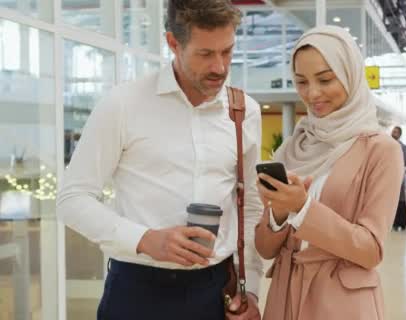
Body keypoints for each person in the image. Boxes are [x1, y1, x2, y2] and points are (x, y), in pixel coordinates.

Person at [56, 1, 263, 319]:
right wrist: (145, 240)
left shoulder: (244, 111)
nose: (220, 67)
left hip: (216, 292)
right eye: (205, 54)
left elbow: (250, 207)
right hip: (138, 292)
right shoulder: (122, 105)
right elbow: (72, 200)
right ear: (173, 43)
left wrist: (250, 290)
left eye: (227, 52)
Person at [253, 25, 403, 320]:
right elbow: (265, 249)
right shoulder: (292, 148)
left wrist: (303, 208)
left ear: (349, 73)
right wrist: (279, 213)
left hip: (342, 302)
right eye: (301, 82)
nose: (312, 93)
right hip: (285, 297)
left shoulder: (381, 150)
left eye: (324, 79)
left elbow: (371, 250)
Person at [391, 126, 406, 231]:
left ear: (399, 134)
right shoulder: (387, 145)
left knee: (401, 200)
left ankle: (402, 222)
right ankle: (394, 222)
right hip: (389, 177)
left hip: (400, 176)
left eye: (396, 132)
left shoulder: (404, 147)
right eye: (393, 131)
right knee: (392, 201)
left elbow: (405, 162)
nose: (394, 133)